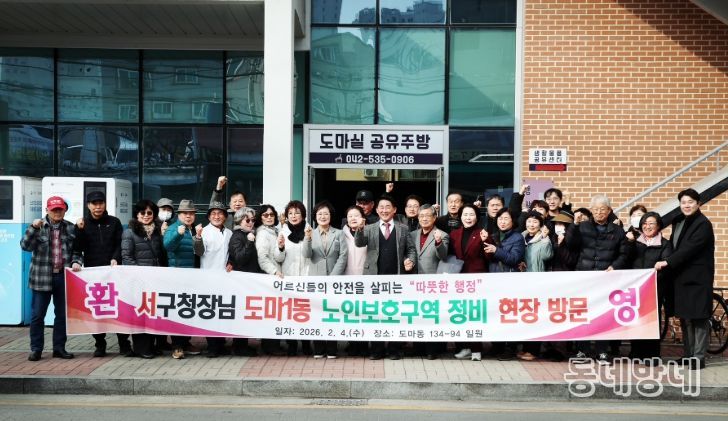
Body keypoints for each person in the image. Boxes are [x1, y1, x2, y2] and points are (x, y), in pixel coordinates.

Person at [656, 188, 714, 370]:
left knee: (699, 318)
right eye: (683, 202)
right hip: (680, 277)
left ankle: (698, 357)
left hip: (697, 278)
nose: (686, 205)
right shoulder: (679, 221)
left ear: (698, 203)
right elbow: (674, 245)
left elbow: (690, 248)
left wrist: (667, 262)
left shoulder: (703, 224)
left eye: (690, 202)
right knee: (685, 317)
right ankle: (688, 355)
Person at [355, 194, 416, 360]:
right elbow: (359, 243)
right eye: (381, 207)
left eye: (388, 207)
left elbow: (411, 249)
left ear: (394, 210)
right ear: (376, 210)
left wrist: (410, 260)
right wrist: (359, 229)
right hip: (374, 278)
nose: (384, 210)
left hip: (396, 278)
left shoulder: (403, 228)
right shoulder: (369, 228)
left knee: (395, 314)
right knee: (376, 314)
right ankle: (377, 350)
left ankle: (394, 349)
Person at [22, 196, 82, 361]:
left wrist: (76, 261)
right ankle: (36, 349)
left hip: (63, 277)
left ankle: (59, 348)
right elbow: (25, 246)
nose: (57, 212)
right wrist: (33, 228)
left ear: (65, 210)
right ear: (47, 210)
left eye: (60, 209)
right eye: (54, 209)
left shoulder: (71, 228)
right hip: (41, 278)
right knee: (37, 315)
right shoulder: (38, 226)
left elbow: (77, 251)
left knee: (62, 315)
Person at [573, 195, 630, 365]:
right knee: (583, 314)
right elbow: (570, 245)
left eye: (602, 209)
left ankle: (602, 351)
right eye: (595, 209)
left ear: (609, 211)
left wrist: (615, 266)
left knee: (604, 315)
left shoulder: (618, 230)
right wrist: (574, 226)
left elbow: (624, 253)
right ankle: (582, 350)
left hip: (607, 278)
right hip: (584, 277)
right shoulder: (582, 227)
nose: (599, 212)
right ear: (591, 210)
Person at [73, 191, 126, 358]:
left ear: (105, 204)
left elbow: (120, 244)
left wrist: (116, 258)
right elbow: (77, 248)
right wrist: (79, 230)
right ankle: (100, 344)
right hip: (94, 275)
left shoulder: (114, 222)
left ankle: (124, 344)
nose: (98, 207)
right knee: (97, 311)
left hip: (114, 273)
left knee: (119, 309)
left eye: (100, 203)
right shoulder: (82, 224)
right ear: (88, 205)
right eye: (94, 204)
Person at [121, 199, 169, 359]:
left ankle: (152, 346)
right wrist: (140, 274)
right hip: (138, 281)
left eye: (150, 212)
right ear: (137, 214)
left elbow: (161, 254)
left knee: (153, 314)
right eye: (142, 212)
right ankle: (141, 348)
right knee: (141, 314)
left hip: (156, 280)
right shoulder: (129, 233)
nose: (146, 215)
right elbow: (126, 257)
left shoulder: (157, 232)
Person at [627, 211, 673, 362]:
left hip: (654, 289)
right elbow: (626, 259)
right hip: (635, 289)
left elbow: (666, 266)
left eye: (651, 223)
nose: (647, 226)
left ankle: (652, 354)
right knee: (636, 319)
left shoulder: (665, 244)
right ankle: (636, 352)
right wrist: (629, 243)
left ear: (658, 226)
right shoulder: (634, 242)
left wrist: (652, 280)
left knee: (652, 321)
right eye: (645, 223)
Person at [484, 208, 526, 361]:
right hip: (494, 281)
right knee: (496, 314)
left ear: (512, 221)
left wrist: (496, 250)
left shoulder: (517, 238)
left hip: (510, 282)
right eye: (500, 218)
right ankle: (497, 346)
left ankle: (510, 348)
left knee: (509, 315)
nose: (502, 222)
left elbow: (514, 259)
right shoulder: (493, 236)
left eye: (506, 218)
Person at [163, 199, 202, 359]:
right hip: (176, 277)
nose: (188, 216)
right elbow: (168, 246)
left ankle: (186, 342)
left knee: (189, 310)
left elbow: (199, 253)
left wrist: (198, 237)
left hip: (191, 277)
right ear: (179, 215)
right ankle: (177, 346)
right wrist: (178, 235)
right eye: (185, 213)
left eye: (191, 213)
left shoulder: (193, 229)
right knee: (178, 311)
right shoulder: (173, 228)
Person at [309, 201, 348, 359]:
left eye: (326, 213)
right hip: (316, 280)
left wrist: (333, 277)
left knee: (332, 314)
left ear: (331, 216)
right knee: (317, 314)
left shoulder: (339, 233)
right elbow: (306, 255)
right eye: (320, 214)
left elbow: (343, 256)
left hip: (334, 280)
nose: (323, 216)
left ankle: (332, 348)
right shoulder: (310, 233)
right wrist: (307, 239)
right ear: (315, 216)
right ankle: (318, 348)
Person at [194, 200, 233, 357]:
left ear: (225, 216)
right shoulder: (204, 231)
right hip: (208, 278)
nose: (217, 216)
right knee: (210, 312)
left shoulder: (229, 233)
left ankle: (221, 343)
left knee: (222, 311)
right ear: (209, 217)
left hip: (225, 279)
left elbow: (231, 253)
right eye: (213, 214)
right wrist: (197, 237)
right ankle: (212, 346)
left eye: (220, 213)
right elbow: (198, 252)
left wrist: (231, 262)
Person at [410, 204, 449, 360]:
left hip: (432, 283)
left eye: (427, 216)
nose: (424, 219)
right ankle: (417, 348)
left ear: (434, 218)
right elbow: (409, 253)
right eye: (421, 216)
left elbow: (444, 256)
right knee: (416, 315)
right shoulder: (412, 234)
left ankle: (432, 349)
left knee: (431, 316)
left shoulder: (442, 235)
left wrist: (438, 242)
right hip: (414, 282)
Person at [275, 200, 313, 356]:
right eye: (290, 213)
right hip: (289, 278)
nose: (293, 216)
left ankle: (306, 344)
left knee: (305, 312)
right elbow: (278, 258)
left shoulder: (309, 231)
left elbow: (311, 254)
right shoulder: (282, 232)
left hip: (306, 277)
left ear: (303, 215)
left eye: (297, 213)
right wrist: (280, 247)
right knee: (290, 313)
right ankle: (291, 344)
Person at [227, 207, 263, 356]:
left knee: (246, 314)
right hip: (241, 282)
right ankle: (239, 347)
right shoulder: (237, 236)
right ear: (239, 220)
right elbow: (240, 258)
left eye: (253, 220)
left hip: (249, 281)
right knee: (241, 315)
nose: (250, 222)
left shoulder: (249, 234)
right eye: (247, 220)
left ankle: (242, 345)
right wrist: (249, 243)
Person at [518, 212, 553, 361]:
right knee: (525, 315)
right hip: (522, 282)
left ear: (540, 225)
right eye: (529, 221)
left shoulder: (543, 239)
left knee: (535, 317)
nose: (531, 225)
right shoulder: (521, 238)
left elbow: (547, 256)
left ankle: (533, 351)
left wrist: (545, 238)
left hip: (537, 283)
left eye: (535, 222)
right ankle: (526, 348)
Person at [254, 204, 284, 354]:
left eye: (272, 214)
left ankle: (274, 345)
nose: (269, 217)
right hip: (269, 277)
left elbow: (278, 254)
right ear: (260, 217)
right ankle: (269, 346)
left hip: (276, 277)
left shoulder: (275, 231)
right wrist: (274, 271)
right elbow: (262, 258)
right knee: (270, 313)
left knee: (276, 312)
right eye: (265, 215)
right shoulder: (262, 234)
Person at [341, 205, 368, 356]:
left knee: (364, 313)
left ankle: (363, 345)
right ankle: (352, 343)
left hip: (365, 279)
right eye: (350, 216)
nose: (353, 218)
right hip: (347, 279)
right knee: (350, 313)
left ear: (362, 218)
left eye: (356, 215)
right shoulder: (341, 234)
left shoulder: (369, 232)